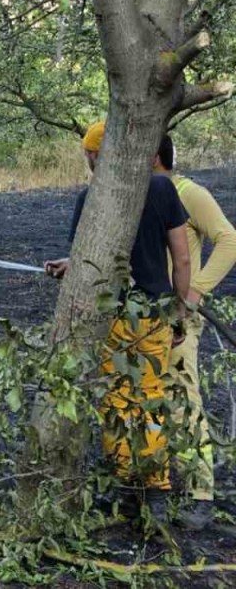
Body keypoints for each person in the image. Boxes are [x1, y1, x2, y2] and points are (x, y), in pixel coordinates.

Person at [44, 120, 192, 524]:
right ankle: (156, 489)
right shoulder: (163, 188)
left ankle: (127, 487)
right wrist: (180, 311)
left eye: (88, 153)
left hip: (114, 317)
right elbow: (181, 257)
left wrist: (68, 267)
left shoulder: (89, 198)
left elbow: (90, 260)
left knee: (117, 399)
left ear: (96, 154)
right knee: (151, 396)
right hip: (156, 314)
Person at [155, 134, 236, 530]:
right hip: (144, 318)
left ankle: (200, 493)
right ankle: (156, 482)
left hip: (179, 317)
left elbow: (229, 241)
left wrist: (194, 292)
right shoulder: (142, 193)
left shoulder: (190, 193)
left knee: (183, 397)